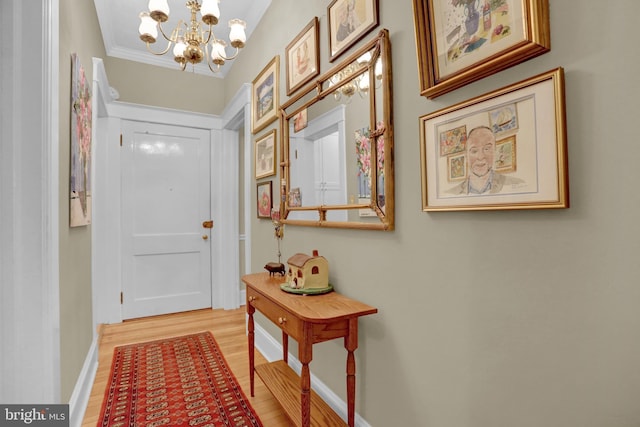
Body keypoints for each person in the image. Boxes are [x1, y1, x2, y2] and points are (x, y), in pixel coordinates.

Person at [447, 126, 524, 195]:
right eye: (474, 151)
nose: (480, 157)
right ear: (466, 156)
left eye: (487, 149)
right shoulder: (452, 193)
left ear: (495, 151)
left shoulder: (517, 185)